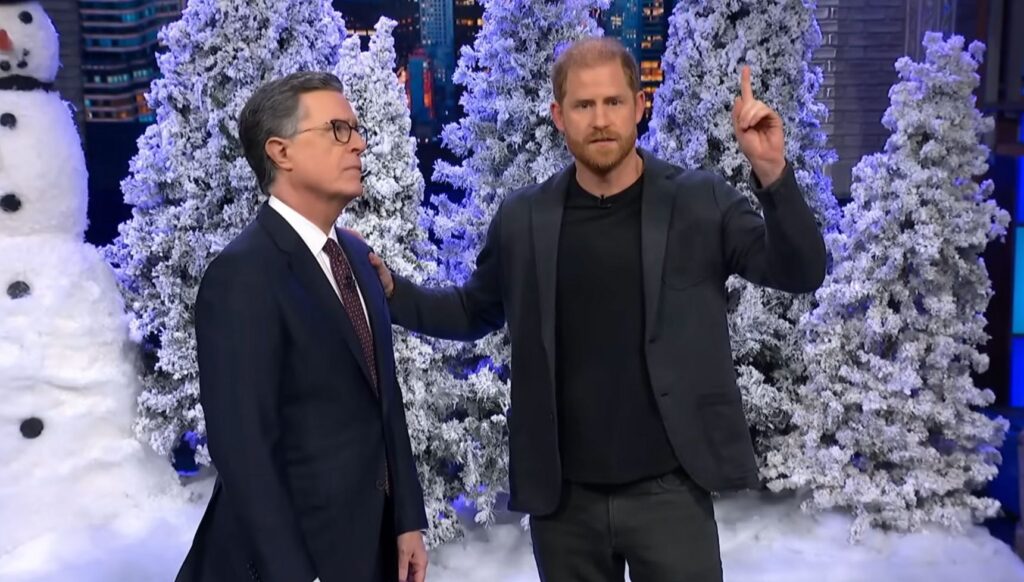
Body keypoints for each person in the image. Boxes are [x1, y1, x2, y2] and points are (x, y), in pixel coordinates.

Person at [369, 38, 825, 581]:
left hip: (670, 494)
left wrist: (773, 173)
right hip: (565, 504)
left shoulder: (698, 201)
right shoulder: (523, 218)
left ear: (639, 106)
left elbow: (799, 271)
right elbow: (472, 311)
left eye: (613, 102)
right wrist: (392, 294)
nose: (601, 119)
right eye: (584, 105)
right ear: (559, 116)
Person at [176, 72, 428, 582]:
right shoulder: (242, 275)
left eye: (356, 129)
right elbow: (245, 452)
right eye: (338, 129)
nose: (358, 144)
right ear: (281, 152)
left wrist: (406, 521)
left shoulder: (355, 255)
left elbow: (384, 402)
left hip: (373, 549)